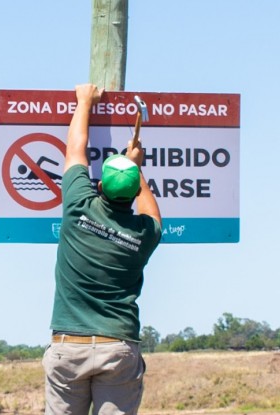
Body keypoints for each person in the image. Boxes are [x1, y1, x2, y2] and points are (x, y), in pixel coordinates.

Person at [42, 83, 162, 415]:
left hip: (69, 347)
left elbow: (75, 150)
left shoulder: (78, 203)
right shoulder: (144, 233)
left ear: (99, 186)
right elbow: (153, 214)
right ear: (135, 189)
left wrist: (85, 102)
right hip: (117, 347)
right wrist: (137, 168)